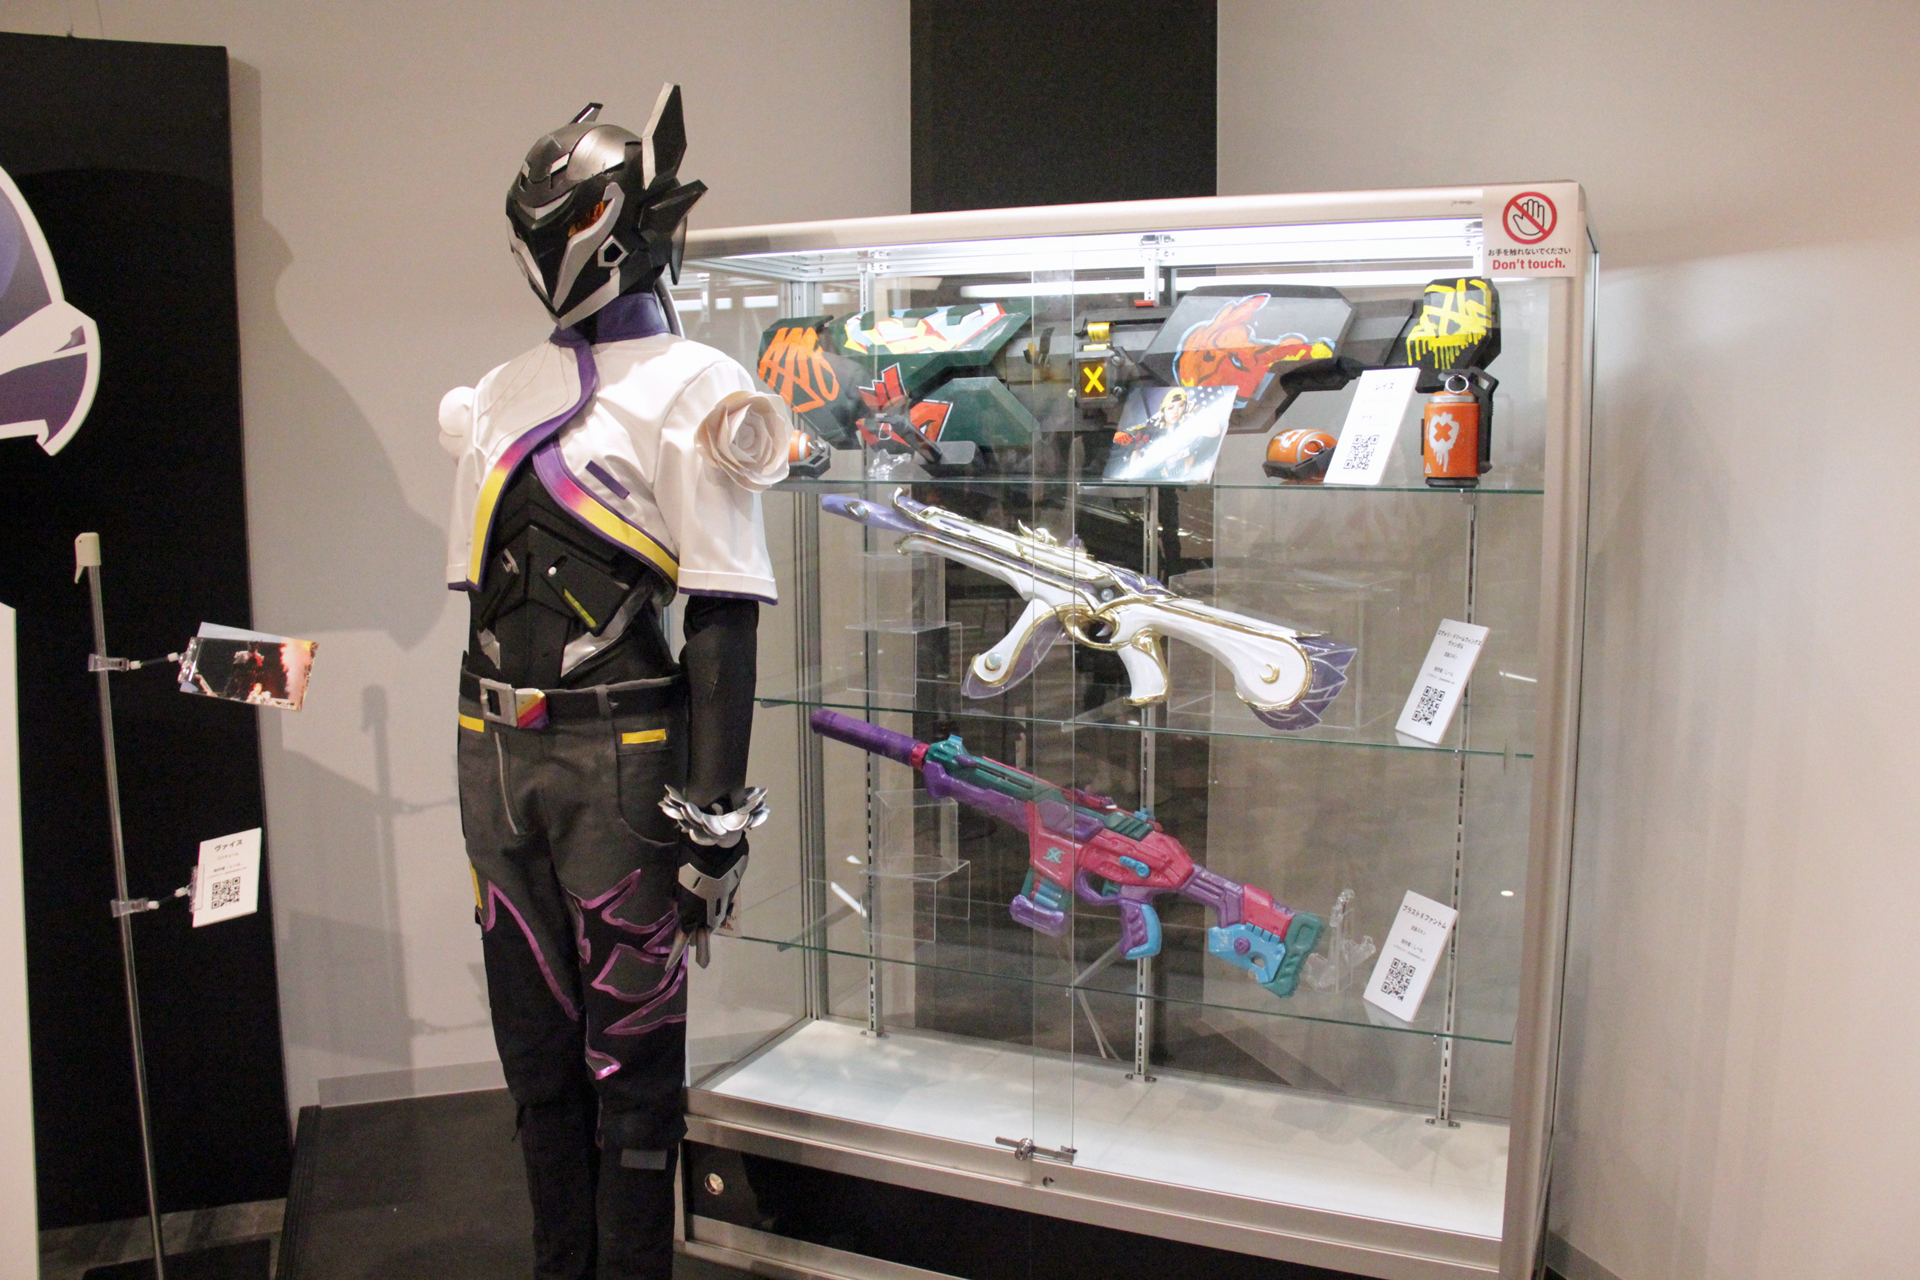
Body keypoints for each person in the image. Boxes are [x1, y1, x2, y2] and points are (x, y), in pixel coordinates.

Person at [437, 87, 789, 1280]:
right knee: (535, 1054)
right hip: (494, 751)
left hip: (625, 760)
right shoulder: (500, 389)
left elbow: (724, 610)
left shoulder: (698, 386)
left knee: (633, 1064)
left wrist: (717, 816)